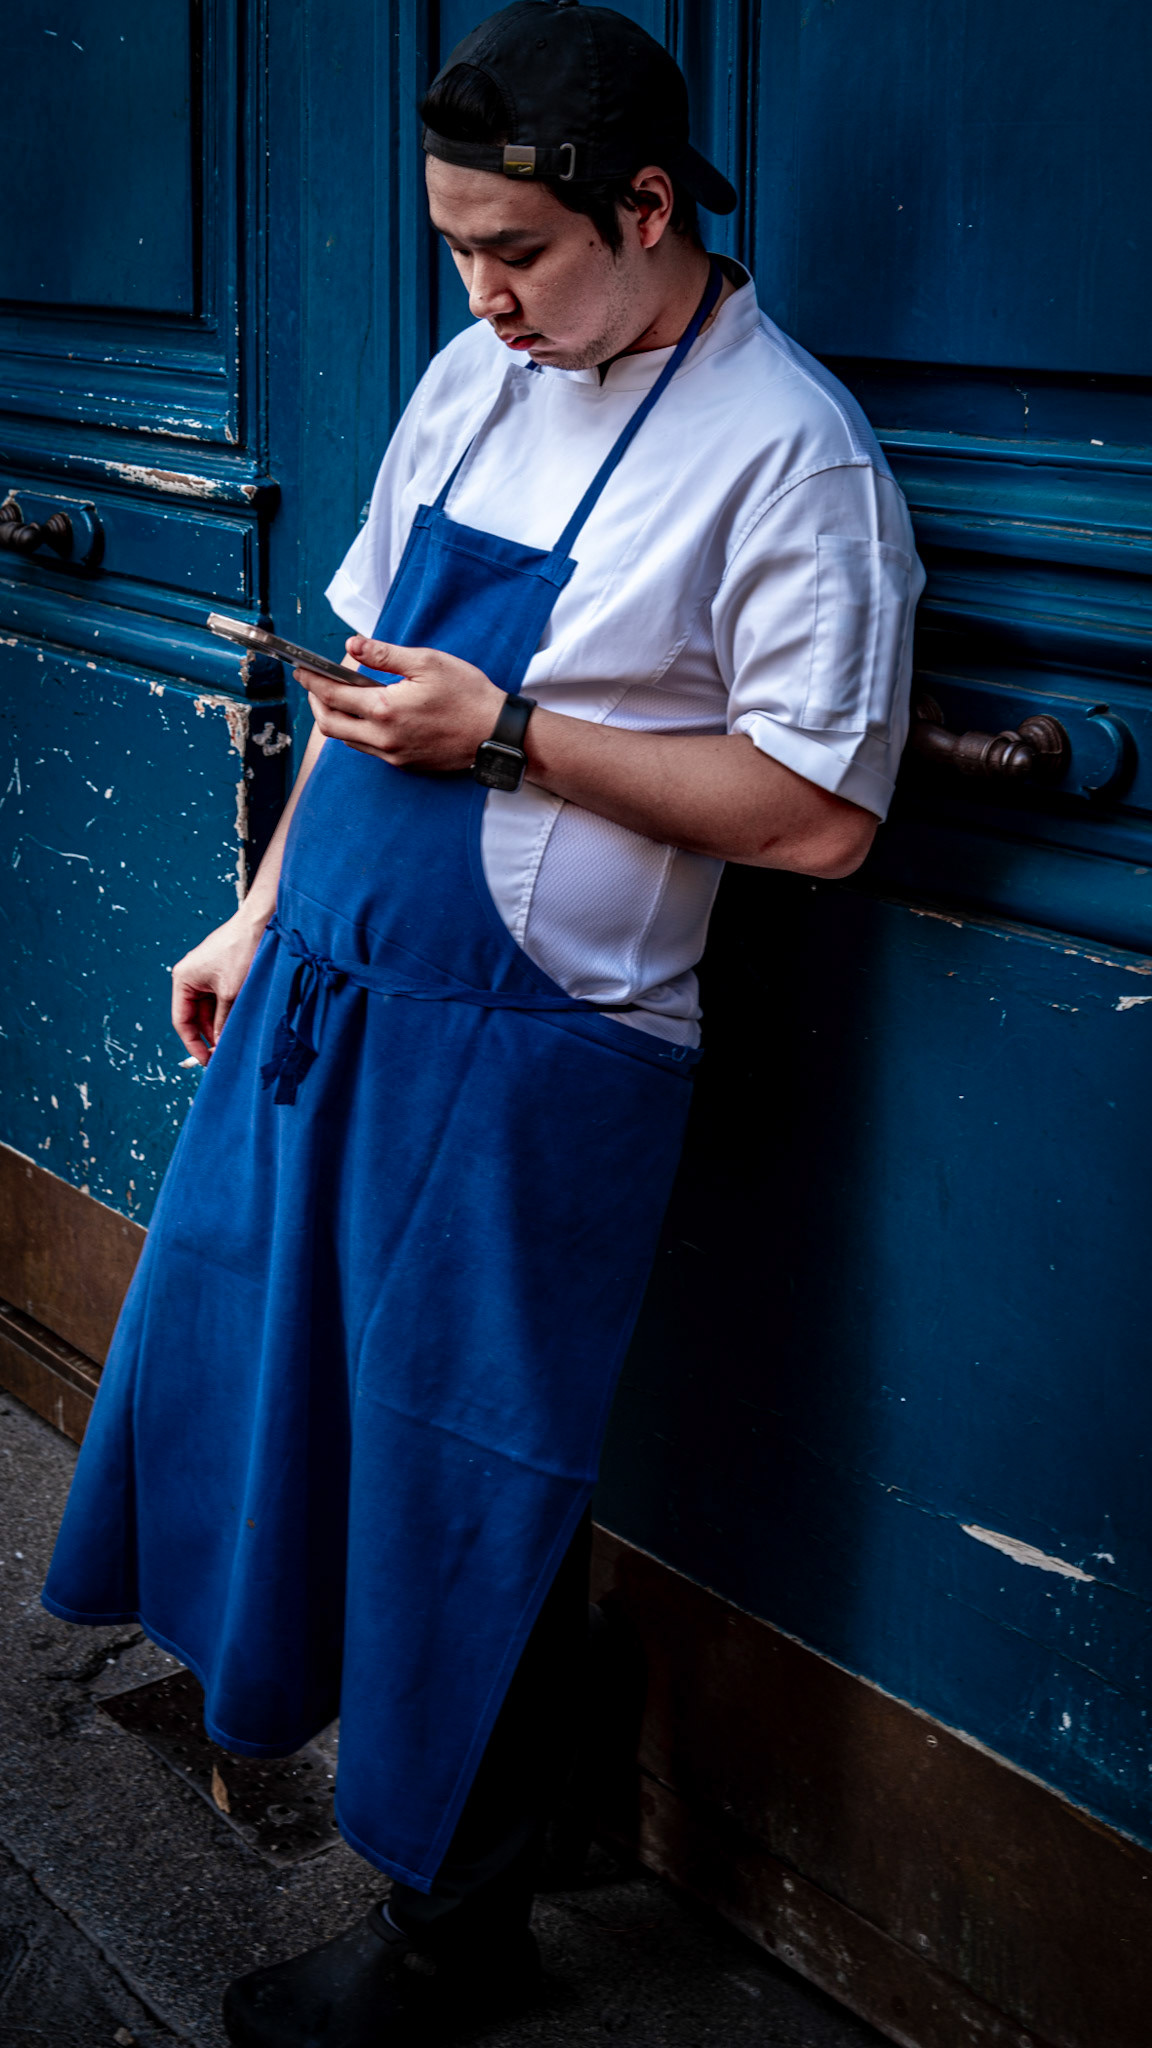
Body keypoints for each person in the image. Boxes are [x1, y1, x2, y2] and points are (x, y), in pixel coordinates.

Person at [42, 3, 925, 2042]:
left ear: (648, 206)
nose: (484, 299)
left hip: (539, 1056)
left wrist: (513, 734)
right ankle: (516, 1802)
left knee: (468, 1472)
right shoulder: (469, 380)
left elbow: (819, 813)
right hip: (332, 1007)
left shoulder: (789, 451)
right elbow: (367, 687)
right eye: (456, 253)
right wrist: (259, 911)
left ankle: (456, 1941)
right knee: (296, 1412)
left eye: (517, 252)